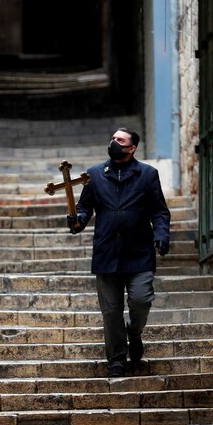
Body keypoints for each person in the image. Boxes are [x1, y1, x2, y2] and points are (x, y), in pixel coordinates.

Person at [66, 127, 171, 378]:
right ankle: (116, 359)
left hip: (139, 252)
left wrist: (161, 234)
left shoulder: (147, 175)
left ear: (132, 148)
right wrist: (77, 220)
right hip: (106, 253)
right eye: (112, 138)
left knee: (141, 300)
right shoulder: (93, 175)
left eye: (120, 140)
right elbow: (84, 207)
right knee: (111, 310)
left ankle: (134, 332)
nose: (113, 142)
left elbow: (159, 210)